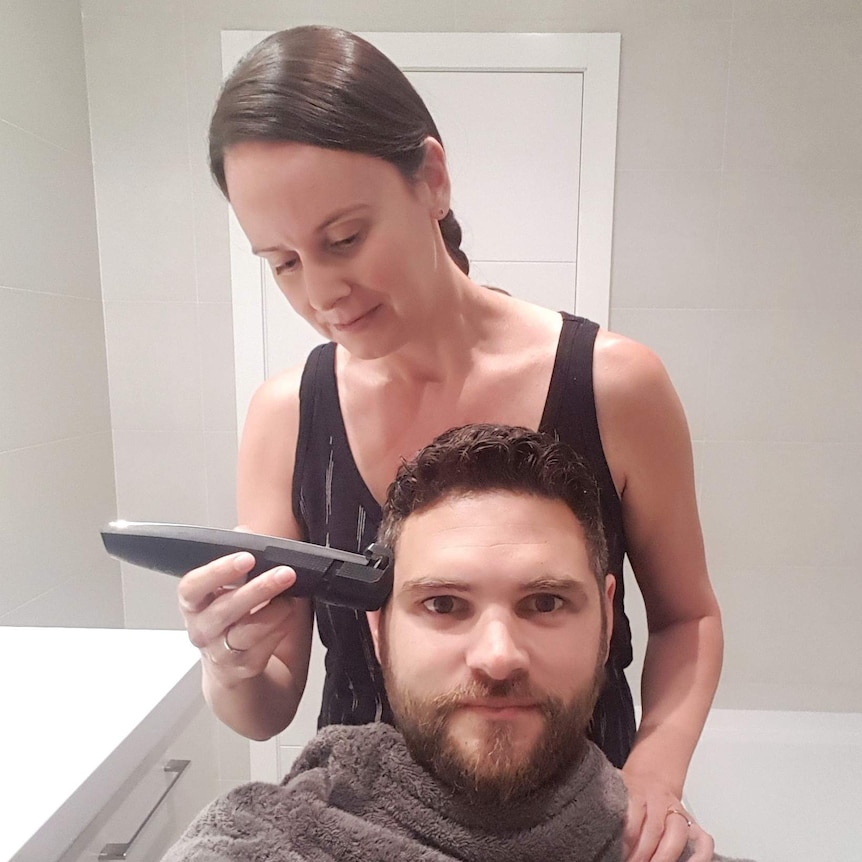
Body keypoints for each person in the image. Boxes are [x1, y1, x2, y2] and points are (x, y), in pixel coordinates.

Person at [177, 25, 724, 862]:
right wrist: (231, 664)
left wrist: (655, 770)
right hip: (368, 822)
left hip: (573, 811)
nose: (322, 293)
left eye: (344, 238)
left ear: (431, 180)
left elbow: (688, 616)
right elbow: (269, 704)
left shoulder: (613, 386)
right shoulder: (287, 416)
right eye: (282, 262)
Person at [166, 426, 747, 862]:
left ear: (607, 620)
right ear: (379, 632)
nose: (497, 657)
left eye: (545, 603)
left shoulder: (665, 850)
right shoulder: (264, 838)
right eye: (443, 604)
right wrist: (229, 663)